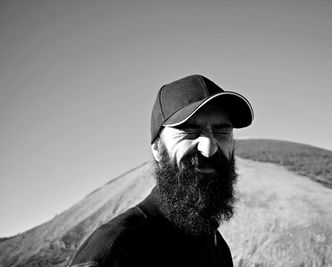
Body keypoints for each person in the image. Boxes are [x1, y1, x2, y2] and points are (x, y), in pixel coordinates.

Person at [69, 74, 254, 267]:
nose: (209, 148)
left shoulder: (217, 247)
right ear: (157, 148)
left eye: (222, 131)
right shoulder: (114, 251)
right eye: (189, 131)